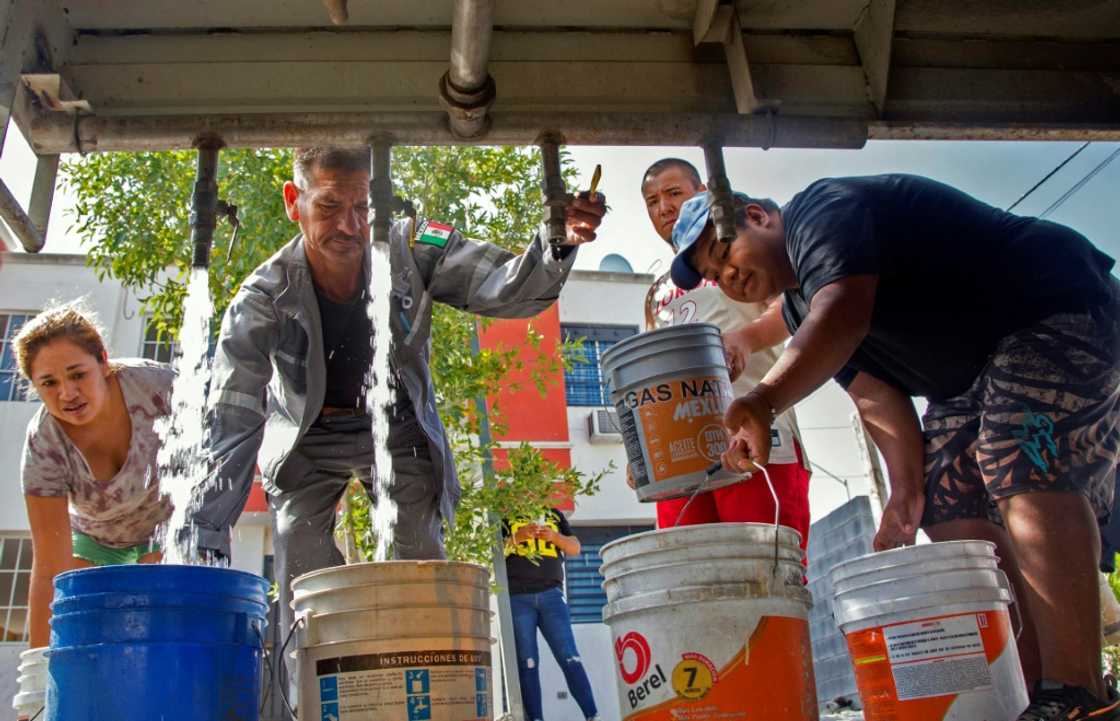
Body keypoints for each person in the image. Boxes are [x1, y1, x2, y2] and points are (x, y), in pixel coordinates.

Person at [669, 175, 1120, 720]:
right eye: (717, 277)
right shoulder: (797, 309)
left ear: (760, 217)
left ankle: (1077, 692)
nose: (730, 277)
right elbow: (875, 398)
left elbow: (844, 312)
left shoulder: (820, 211)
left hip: (1048, 305)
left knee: (1015, 456)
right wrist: (904, 500)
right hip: (969, 376)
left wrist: (763, 400)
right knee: (947, 505)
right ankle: (1030, 695)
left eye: (724, 252)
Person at [187, 146, 605, 641]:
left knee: (417, 571)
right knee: (302, 576)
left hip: (398, 426)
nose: (349, 226)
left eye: (363, 208)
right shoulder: (261, 298)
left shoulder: (415, 246)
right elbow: (231, 416)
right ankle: (311, 697)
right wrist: (204, 538)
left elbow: (505, 286)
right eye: (327, 206)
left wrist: (557, 240)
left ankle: (418, 684)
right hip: (307, 439)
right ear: (292, 201)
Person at [637, 158, 812, 554]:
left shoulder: (746, 250)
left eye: (673, 193)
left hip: (759, 441)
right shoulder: (657, 291)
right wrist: (644, 452)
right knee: (693, 581)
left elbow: (793, 309)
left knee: (770, 572)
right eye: (651, 201)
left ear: (702, 192)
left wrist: (745, 340)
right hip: (681, 464)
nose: (663, 207)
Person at [14, 304, 173, 648]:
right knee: (77, 631)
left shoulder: (158, 388)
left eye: (77, 374)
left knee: (154, 623)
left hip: (167, 523)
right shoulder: (44, 445)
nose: (67, 393)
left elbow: (220, 458)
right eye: (49, 383)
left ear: (102, 360)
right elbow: (48, 569)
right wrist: (38, 673)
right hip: (97, 535)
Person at [503, 509, 599, 721]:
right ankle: (535, 718)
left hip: (552, 595)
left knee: (570, 656)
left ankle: (592, 715)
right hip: (518, 598)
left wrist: (554, 537)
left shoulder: (554, 515)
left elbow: (575, 548)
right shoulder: (505, 515)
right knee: (528, 662)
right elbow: (494, 553)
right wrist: (517, 538)